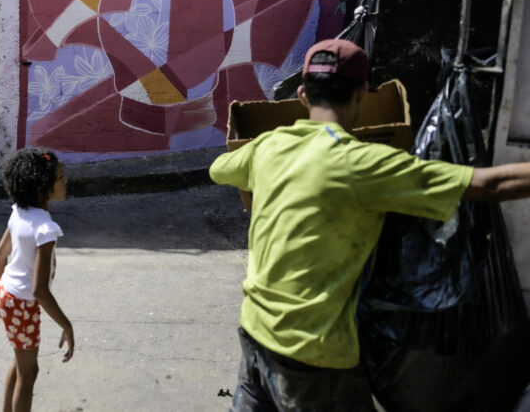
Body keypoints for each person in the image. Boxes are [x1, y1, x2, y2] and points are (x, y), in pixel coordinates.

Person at [209, 38, 530, 411]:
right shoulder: (363, 164)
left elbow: (219, 169)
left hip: (256, 332)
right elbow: (486, 184)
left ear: (301, 94)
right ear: (362, 93)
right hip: (314, 356)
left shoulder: (269, 147)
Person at [0, 148, 74, 411]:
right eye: (59, 177)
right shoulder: (45, 230)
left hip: (9, 296)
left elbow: (0, 255)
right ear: (41, 188)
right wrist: (67, 326)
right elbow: (39, 290)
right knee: (29, 373)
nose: (65, 181)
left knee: (22, 363)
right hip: (21, 304)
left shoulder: (19, 212)